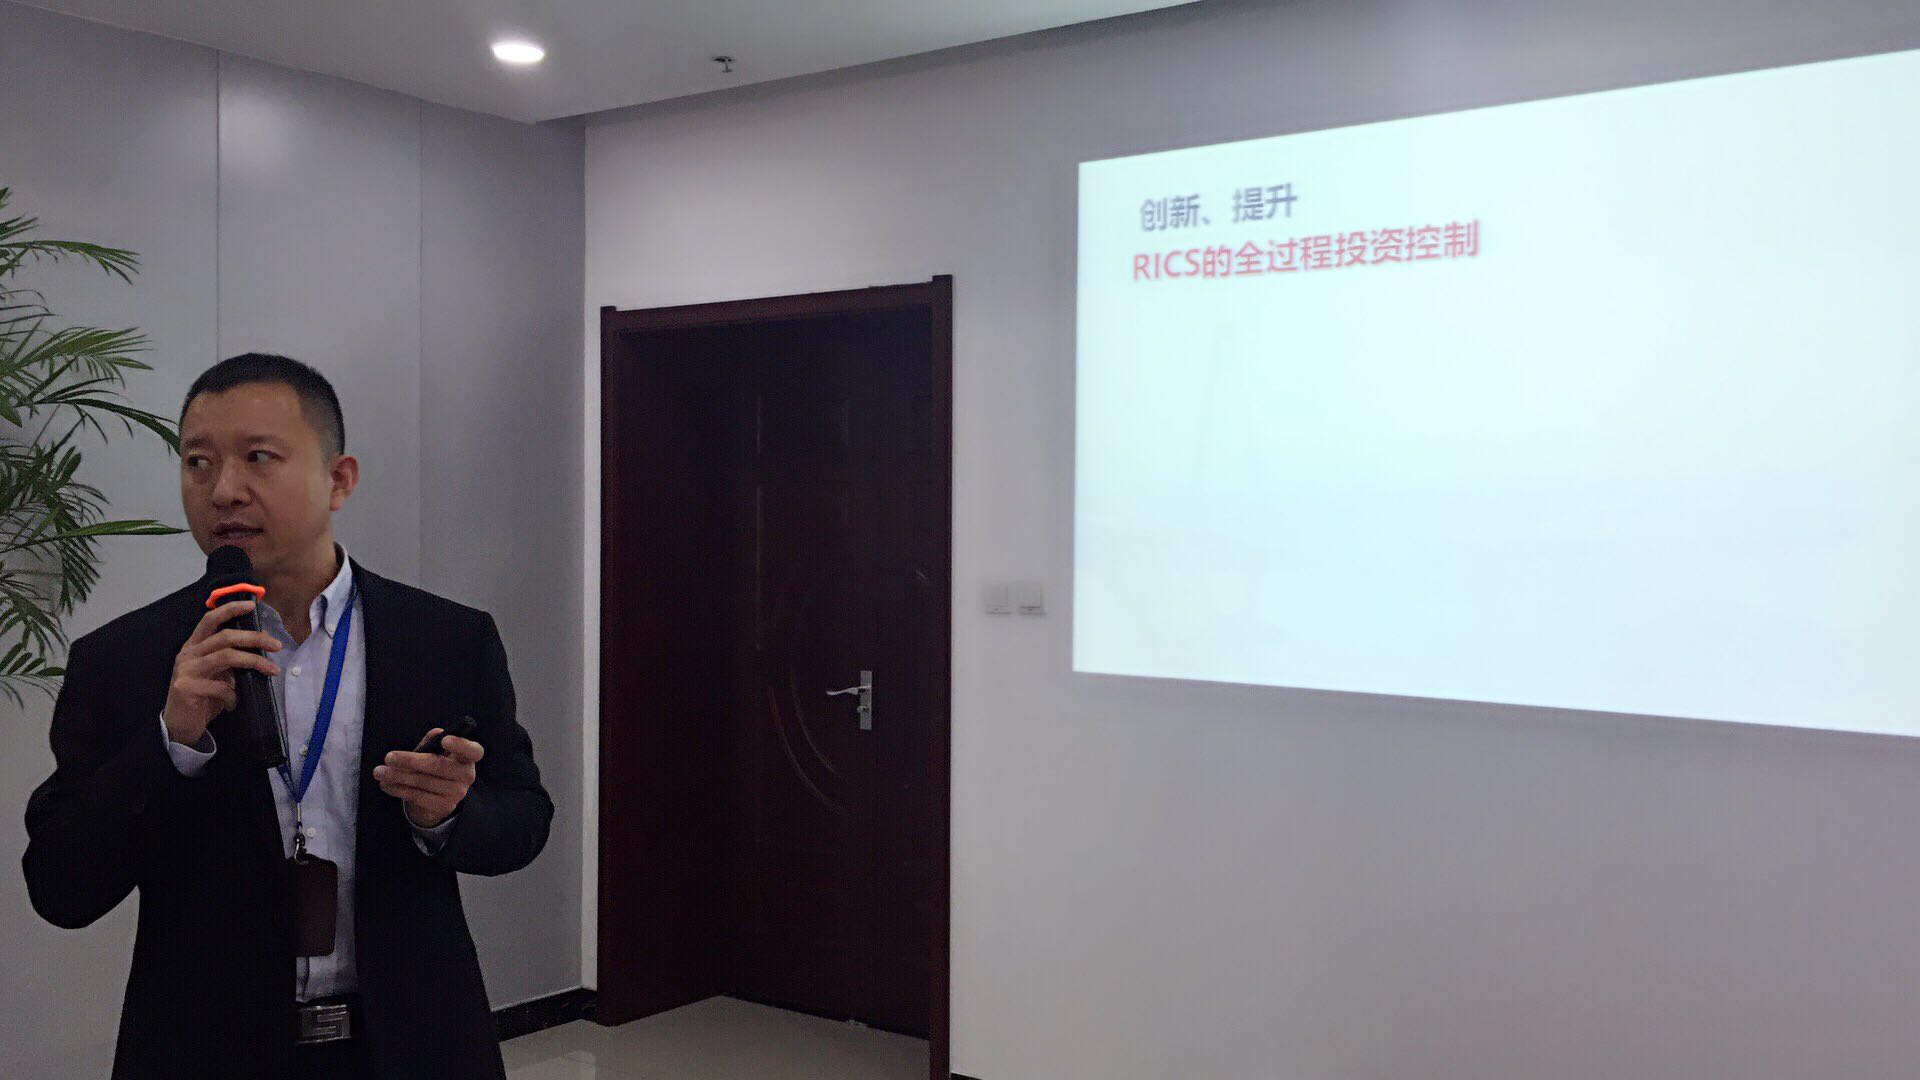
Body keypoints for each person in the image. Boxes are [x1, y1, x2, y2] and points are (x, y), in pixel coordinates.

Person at [23, 353, 553, 1079]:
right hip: (207, 1054)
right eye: (198, 462)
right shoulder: (126, 659)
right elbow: (60, 887)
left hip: (413, 1044)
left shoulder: (446, 640)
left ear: (339, 479)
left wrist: (449, 815)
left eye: (258, 458)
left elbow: (524, 820)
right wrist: (170, 744)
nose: (223, 490)